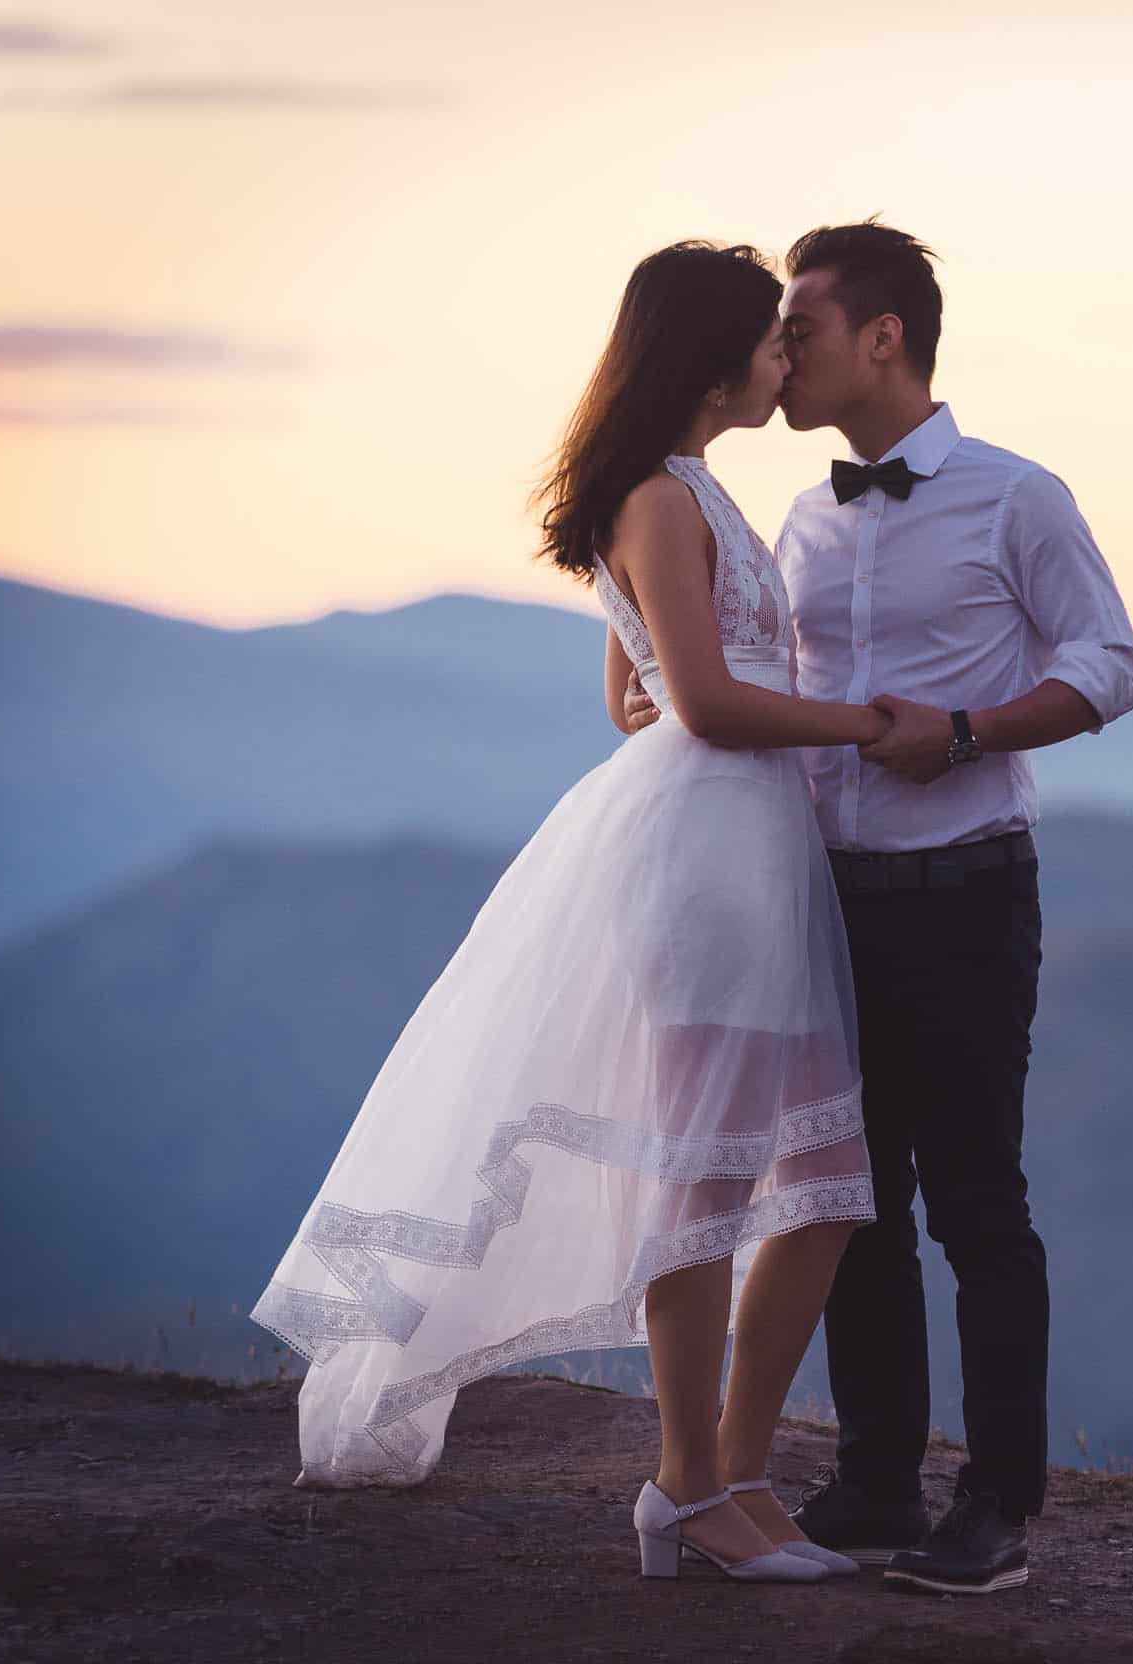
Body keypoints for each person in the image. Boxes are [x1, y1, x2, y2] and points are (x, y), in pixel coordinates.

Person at [254, 240, 885, 1585]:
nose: (789, 357)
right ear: (719, 362)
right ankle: (687, 1488)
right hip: (709, 854)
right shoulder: (659, 499)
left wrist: (743, 703)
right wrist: (865, 724)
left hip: (752, 845)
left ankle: (727, 1475)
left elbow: (631, 694)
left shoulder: (693, 493)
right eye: (774, 341)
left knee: (816, 1183)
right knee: (714, 1178)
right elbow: (697, 706)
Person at [621, 220, 1133, 1595]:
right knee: (842, 1191)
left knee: (977, 1202)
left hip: (966, 890)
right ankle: (871, 1479)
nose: (782, 354)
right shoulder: (793, 514)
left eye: (802, 328)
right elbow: (719, 671)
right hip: (816, 894)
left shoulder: (1016, 497)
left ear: (884, 339)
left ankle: (999, 1505)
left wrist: (967, 730)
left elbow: (1113, 664)